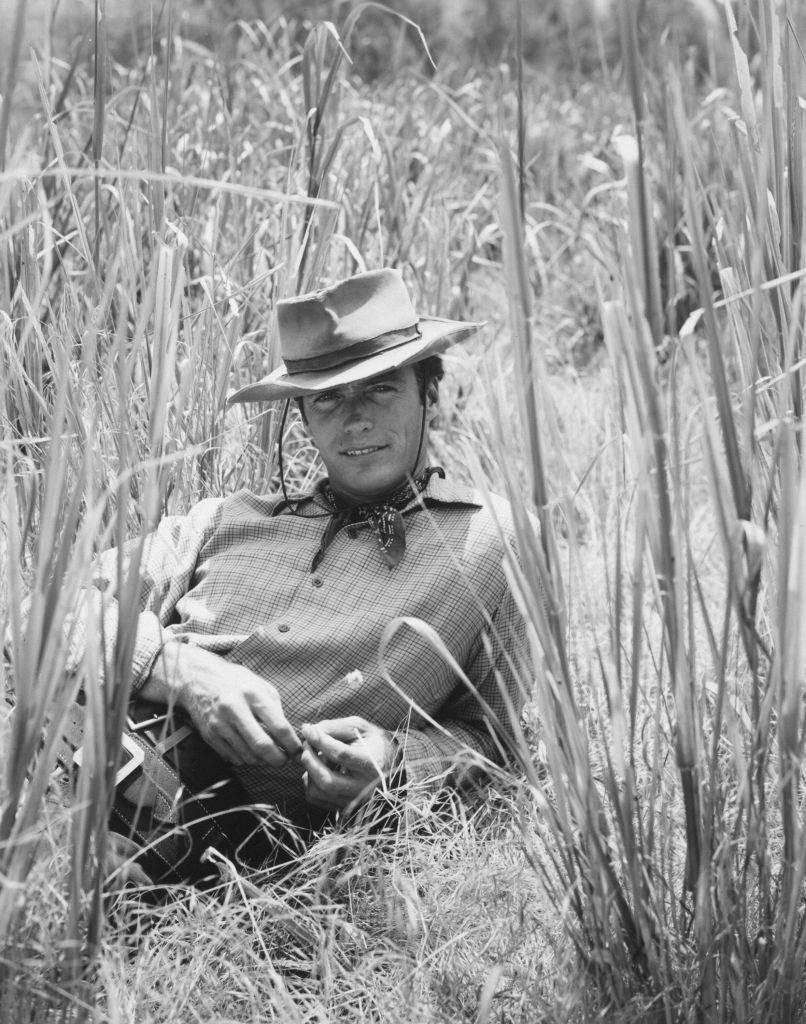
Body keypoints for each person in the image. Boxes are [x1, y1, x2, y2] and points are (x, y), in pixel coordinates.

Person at [56, 269, 528, 852]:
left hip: (190, 833)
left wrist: (396, 764)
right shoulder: (226, 518)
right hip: (60, 747)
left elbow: (501, 742)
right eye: (327, 397)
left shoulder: (488, 541)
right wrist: (179, 670)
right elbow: (46, 614)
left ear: (429, 391)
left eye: (381, 386)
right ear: (301, 416)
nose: (355, 418)